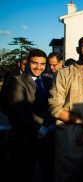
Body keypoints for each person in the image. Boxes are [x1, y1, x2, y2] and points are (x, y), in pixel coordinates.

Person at [49, 35, 83, 182]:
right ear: (78, 49)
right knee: (66, 175)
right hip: (68, 137)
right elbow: (55, 108)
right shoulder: (63, 74)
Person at [5, 49, 55, 182]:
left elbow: (51, 106)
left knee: (47, 173)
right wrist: (40, 128)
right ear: (27, 62)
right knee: (23, 175)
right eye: (35, 63)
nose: (39, 67)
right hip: (24, 139)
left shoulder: (48, 80)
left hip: (47, 139)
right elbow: (16, 113)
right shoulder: (17, 81)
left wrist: (50, 125)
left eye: (42, 64)